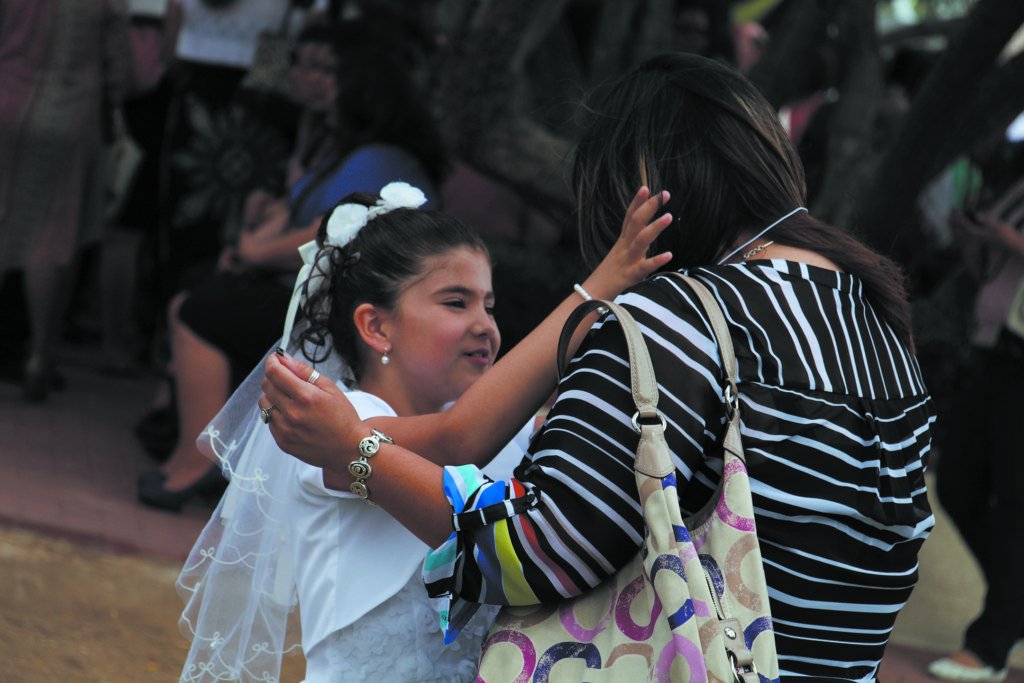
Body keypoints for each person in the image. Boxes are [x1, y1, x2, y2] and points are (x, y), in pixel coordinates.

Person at [261, 52, 936, 681]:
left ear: (645, 190)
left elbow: (538, 551)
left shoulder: (675, 321)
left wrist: (360, 454)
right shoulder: (876, 318)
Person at [176, 182, 672, 682]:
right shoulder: (337, 422)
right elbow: (457, 441)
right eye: (456, 302)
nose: (485, 325)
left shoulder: (510, 430)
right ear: (377, 327)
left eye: (489, 306)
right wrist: (599, 288)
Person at [137, 21, 447, 511]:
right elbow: (286, 216)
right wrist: (250, 244)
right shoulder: (337, 147)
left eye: (330, 71)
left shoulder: (382, 157)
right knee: (201, 288)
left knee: (206, 307)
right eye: (310, 67)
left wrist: (252, 253)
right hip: (319, 293)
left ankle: (200, 460)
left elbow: (328, 229)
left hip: (358, 312)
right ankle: (193, 433)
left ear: (362, 81)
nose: (315, 81)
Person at [0, 0, 131, 400]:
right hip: (69, 111)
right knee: (52, 236)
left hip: (5, 98)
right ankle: (40, 355)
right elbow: (120, 70)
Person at [927, 170, 1024, 682]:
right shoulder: (1016, 185)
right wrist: (975, 242)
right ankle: (1013, 609)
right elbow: (993, 272)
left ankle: (990, 644)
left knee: (1014, 504)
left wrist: (1011, 241)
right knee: (959, 483)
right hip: (993, 352)